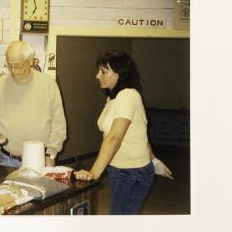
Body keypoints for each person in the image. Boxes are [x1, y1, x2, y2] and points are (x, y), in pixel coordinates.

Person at [74, 50, 173, 214]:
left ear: (119, 74)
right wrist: (153, 159)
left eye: (103, 72)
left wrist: (94, 172)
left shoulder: (128, 96)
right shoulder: (113, 98)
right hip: (119, 169)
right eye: (99, 70)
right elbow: (139, 133)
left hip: (132, 172)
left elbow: (114, 138)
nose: (97, 75)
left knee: (120, 220)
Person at [0, 40, 67, 168]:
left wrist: (51, 154)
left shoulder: (48, 85)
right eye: (9, 65)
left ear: (30, 61)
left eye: (18, 65)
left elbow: (59, 125)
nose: (13, 70)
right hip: (6, 159)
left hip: (39, 160)